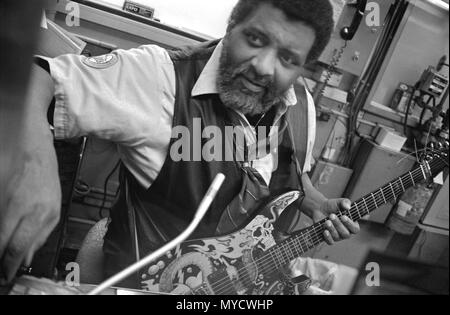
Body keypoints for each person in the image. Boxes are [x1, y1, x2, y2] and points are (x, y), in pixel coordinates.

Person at [0, 0, 360, 291]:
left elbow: (287, 173)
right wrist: (34, 160)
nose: (264, 67)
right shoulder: (160, 78)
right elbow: (38, 76)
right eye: (254, 38)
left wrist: (316, 203)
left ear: (303, 67)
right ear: (231, 26)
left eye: (287, 59)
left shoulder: (302, 108)